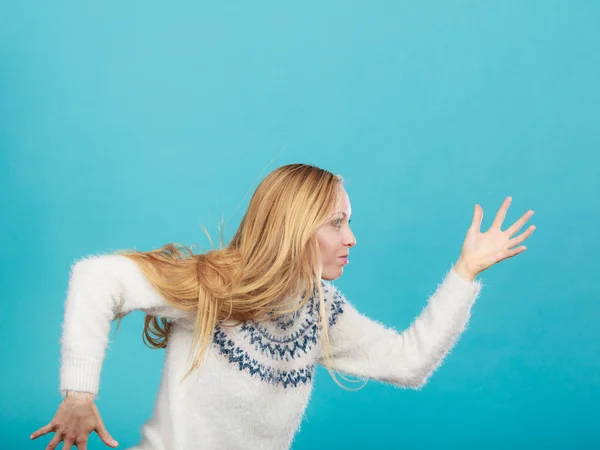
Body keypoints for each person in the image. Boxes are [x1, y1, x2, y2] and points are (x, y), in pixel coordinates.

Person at [30, 163, 536, 450]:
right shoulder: (213, 283)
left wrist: (465, 273)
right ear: (296, 227)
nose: (352, 238)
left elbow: (409, 362)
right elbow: (97, 277)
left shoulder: (321, 310)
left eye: (349, 222)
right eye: (337, 223)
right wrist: (79, 393)